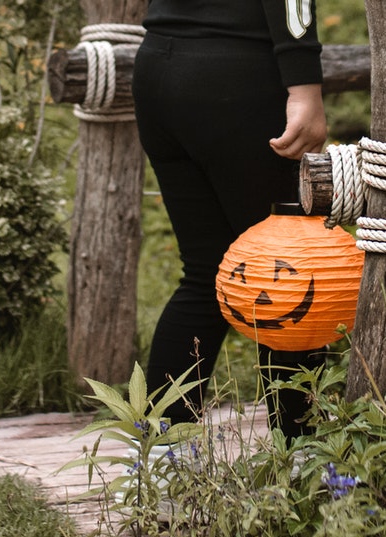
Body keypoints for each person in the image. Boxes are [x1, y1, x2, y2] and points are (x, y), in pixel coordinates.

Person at [133, 0, 328, 438]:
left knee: (205, 273)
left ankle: (161, 455)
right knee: (289, 276)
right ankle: (303, 461)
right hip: (239, 77)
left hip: (160, 68)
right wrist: (304, 86)